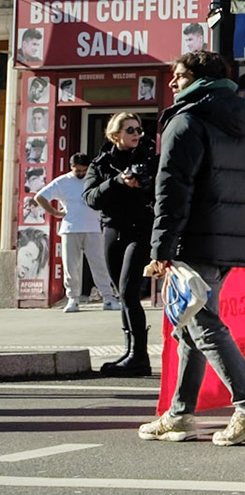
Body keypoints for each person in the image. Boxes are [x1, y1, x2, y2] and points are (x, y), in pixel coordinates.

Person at [137, 52, 245, 447]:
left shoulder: (185, 121)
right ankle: (180, 414)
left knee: (202, 325)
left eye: (178, 75)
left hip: (192, 237)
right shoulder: (242, 122)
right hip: (228, 235)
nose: (172, 82)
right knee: (189, 324)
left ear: (197, 79)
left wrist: (161, 247)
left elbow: (171, 190)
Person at [87, 114, 159, 377]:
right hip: (113, 231)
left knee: (129, 292)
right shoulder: (101, 163)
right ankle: (132, 353)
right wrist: (117, 182)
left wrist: (144, 184)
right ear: (115, 134)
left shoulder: (150, 159)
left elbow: (164, 190)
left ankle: (139, 356)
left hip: (141, 230)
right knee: (122, 295)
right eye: (130, 129)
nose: (137, 134)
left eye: (139, 129)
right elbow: (91, 198)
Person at [36, 153, 117, 313]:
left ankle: (108, 297)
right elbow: (40, 197)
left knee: (99, 264)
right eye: (77, 170)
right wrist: (54, 212)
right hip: (70, 228)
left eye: (83, 170)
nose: (80, 173)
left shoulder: (94, 179)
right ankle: (73, 299)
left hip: (93, 227)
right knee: (70, 266)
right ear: (71, 167)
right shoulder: (62, 181)